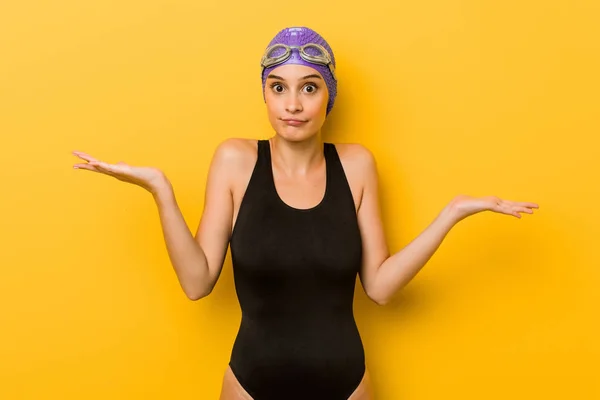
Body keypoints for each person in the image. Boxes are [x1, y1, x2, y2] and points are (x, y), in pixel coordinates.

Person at [71, 26, 539, 400]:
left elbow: (379, 287)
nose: (292, 104)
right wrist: (161, 190)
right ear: (266, 93)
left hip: (346, 384)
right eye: (278, 87)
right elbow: (197, 283)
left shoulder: (356, 165)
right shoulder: (235, 160)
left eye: (308, 88)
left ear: (328, 96)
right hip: (251, 383)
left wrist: (451, 214)